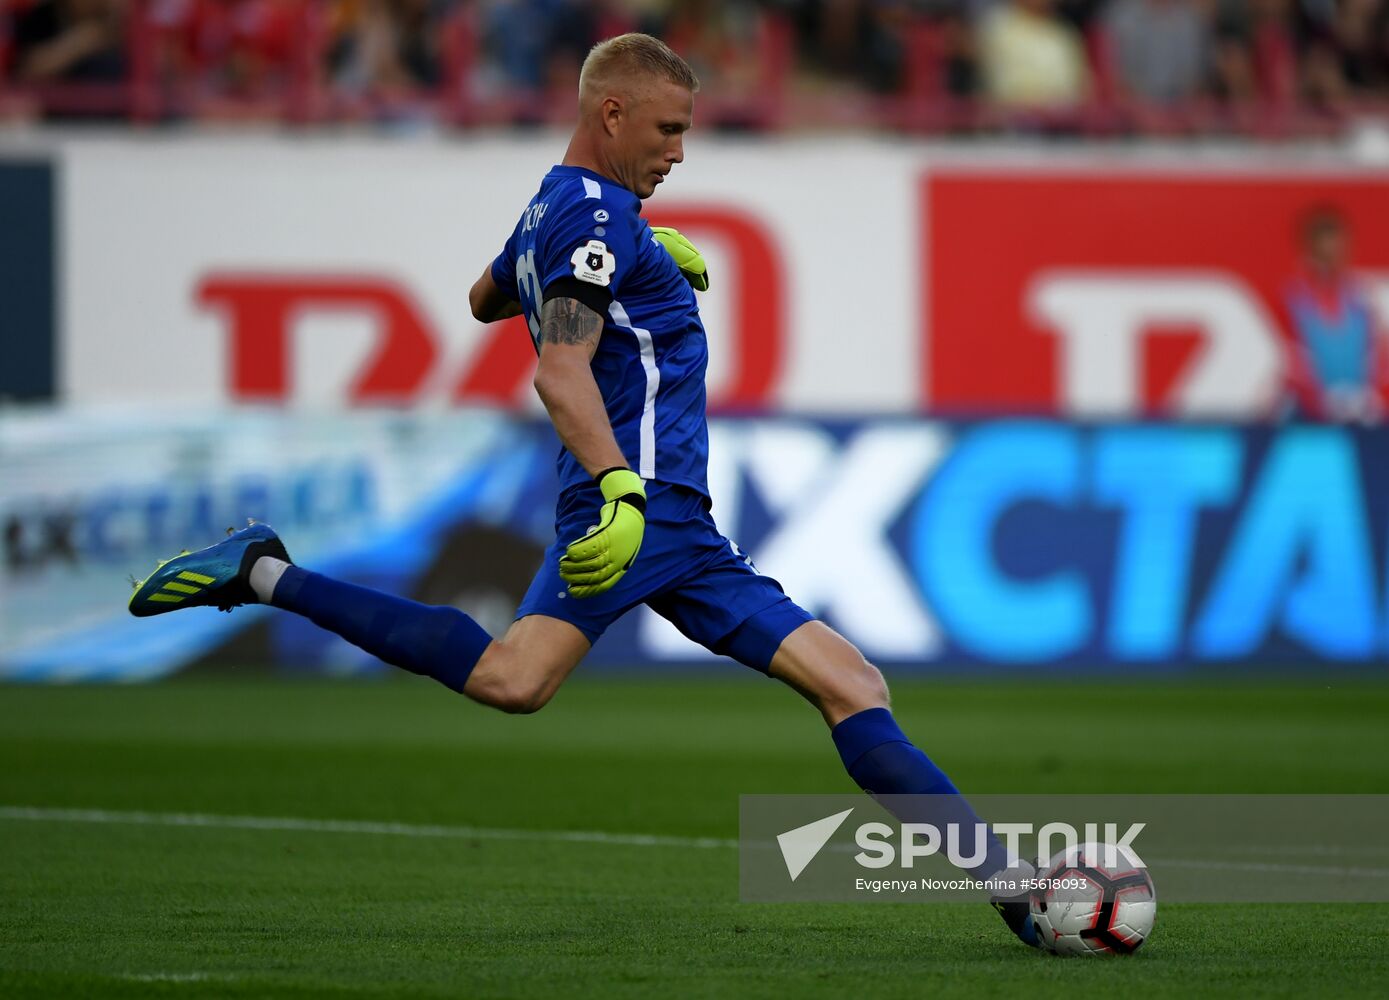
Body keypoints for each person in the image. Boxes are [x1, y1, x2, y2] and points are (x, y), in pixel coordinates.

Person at [127, 31, 1038, 947]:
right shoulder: (592, 213)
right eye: (668, 128)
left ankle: (1017, 892)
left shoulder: (562, 211)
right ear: (611, 114)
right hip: (636, 512)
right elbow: (559, 370)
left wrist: (638, 255)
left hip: (682, 530)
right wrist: (619, 489)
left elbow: (487, 298)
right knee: (513, 678)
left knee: (851, 683)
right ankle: (260, 573)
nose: (680, 150)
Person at [1282, 204, 1388, 423]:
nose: (1332, 255)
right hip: (1309, 414)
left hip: (1359, 411)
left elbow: (1375, 355)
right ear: (1309, 248)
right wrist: (1319, 400)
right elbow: (1292, 361)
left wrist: (1367, 397)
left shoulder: (1361, 298)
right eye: (1324, 248)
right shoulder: (1292, 299)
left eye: (1338, 246)